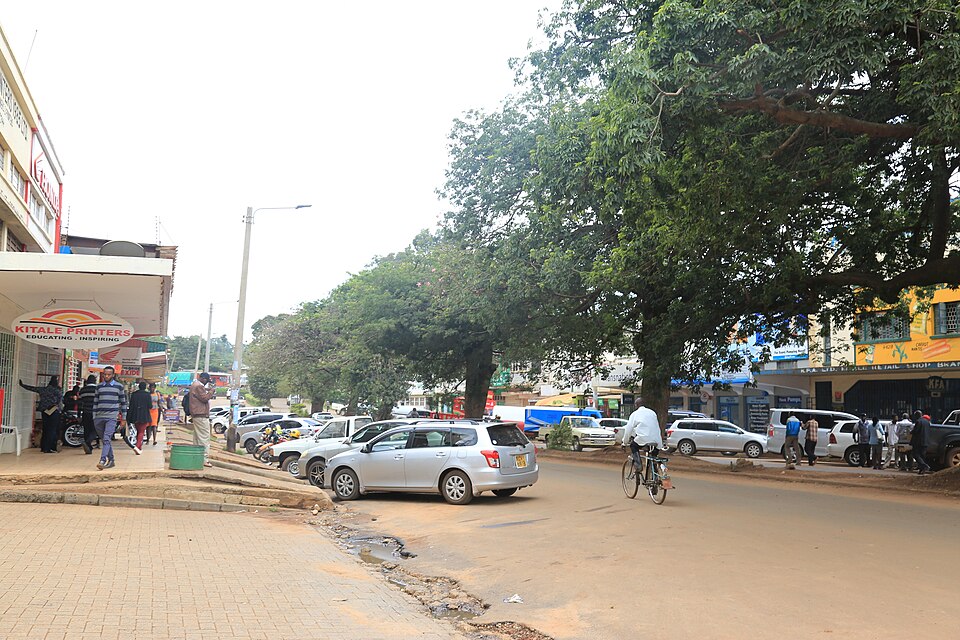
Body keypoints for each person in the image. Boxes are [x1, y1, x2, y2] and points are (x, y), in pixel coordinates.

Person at [616, 401, 663, 483]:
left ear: (636, 405)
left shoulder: (635, 414)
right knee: (654, 457)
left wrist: (624, 442)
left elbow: (628, 429)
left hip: (644, 439)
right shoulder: (652, 413)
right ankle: (654, 474)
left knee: (633, 446)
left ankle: (638, 465)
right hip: (657, 440)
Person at [93, 366, 127, 470]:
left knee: (107, 438)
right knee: (104, 439)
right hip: (99, 417)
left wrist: (123, 419)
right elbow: (95, 402)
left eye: (108, 374)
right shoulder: (99, 387)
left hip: (111, 417)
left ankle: (102, 460)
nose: (106, 376)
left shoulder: (119, 387)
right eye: (105, 374)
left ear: (113, 375)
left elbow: (123, 403)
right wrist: (94, 417)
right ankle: (111, 460)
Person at [18, 376, 63, 453]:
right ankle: (50, 447)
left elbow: (32, 388)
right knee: (52, 430)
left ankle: (44, 447)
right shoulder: (57, 391)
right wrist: (60, 410)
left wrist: (22, 385)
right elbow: (60, 402)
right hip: (54, 412)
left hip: (44, 411)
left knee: (45, 429)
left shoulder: (43, 389)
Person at [188, 372, 216, 467]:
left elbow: (201, 393)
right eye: (206, 381)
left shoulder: (194, 385)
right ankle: (204, 459)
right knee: (204, 438)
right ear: (203, 379)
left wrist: (207, 389)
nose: (206, 383)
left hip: (196, 414)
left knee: (197, 438)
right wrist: (211, 391)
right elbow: (204, 398)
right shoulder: (199, 386)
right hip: (201, 415)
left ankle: (196, 457)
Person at [127, 382, 152, 453]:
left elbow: (131, 405)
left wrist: (129, 416)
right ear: (145, 387)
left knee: (138, 431)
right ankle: (137, 446)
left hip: (135, 415)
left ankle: (140, 447)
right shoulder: (147, 395)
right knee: (141, 431)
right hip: (144, 415)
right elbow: (150, 406)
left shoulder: (134, 394)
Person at [78, 374, 98, 454]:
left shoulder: (83, 390)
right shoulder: (98, 390)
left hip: (85, 412)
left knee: (87, 429)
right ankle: (88, 442)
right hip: (95, 413)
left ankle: (89, 448)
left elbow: (80, 403)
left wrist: (79, 414)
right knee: (95, 430)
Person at [910, 410, 932, 475]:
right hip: (925, 441)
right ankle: (922, 470)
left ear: (917, 415)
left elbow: (916, 431)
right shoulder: (927, 422)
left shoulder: (918, 421)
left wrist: (911, 432)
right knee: (922, 456)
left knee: (915, 454)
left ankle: (924, 466)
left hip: (918, 442)